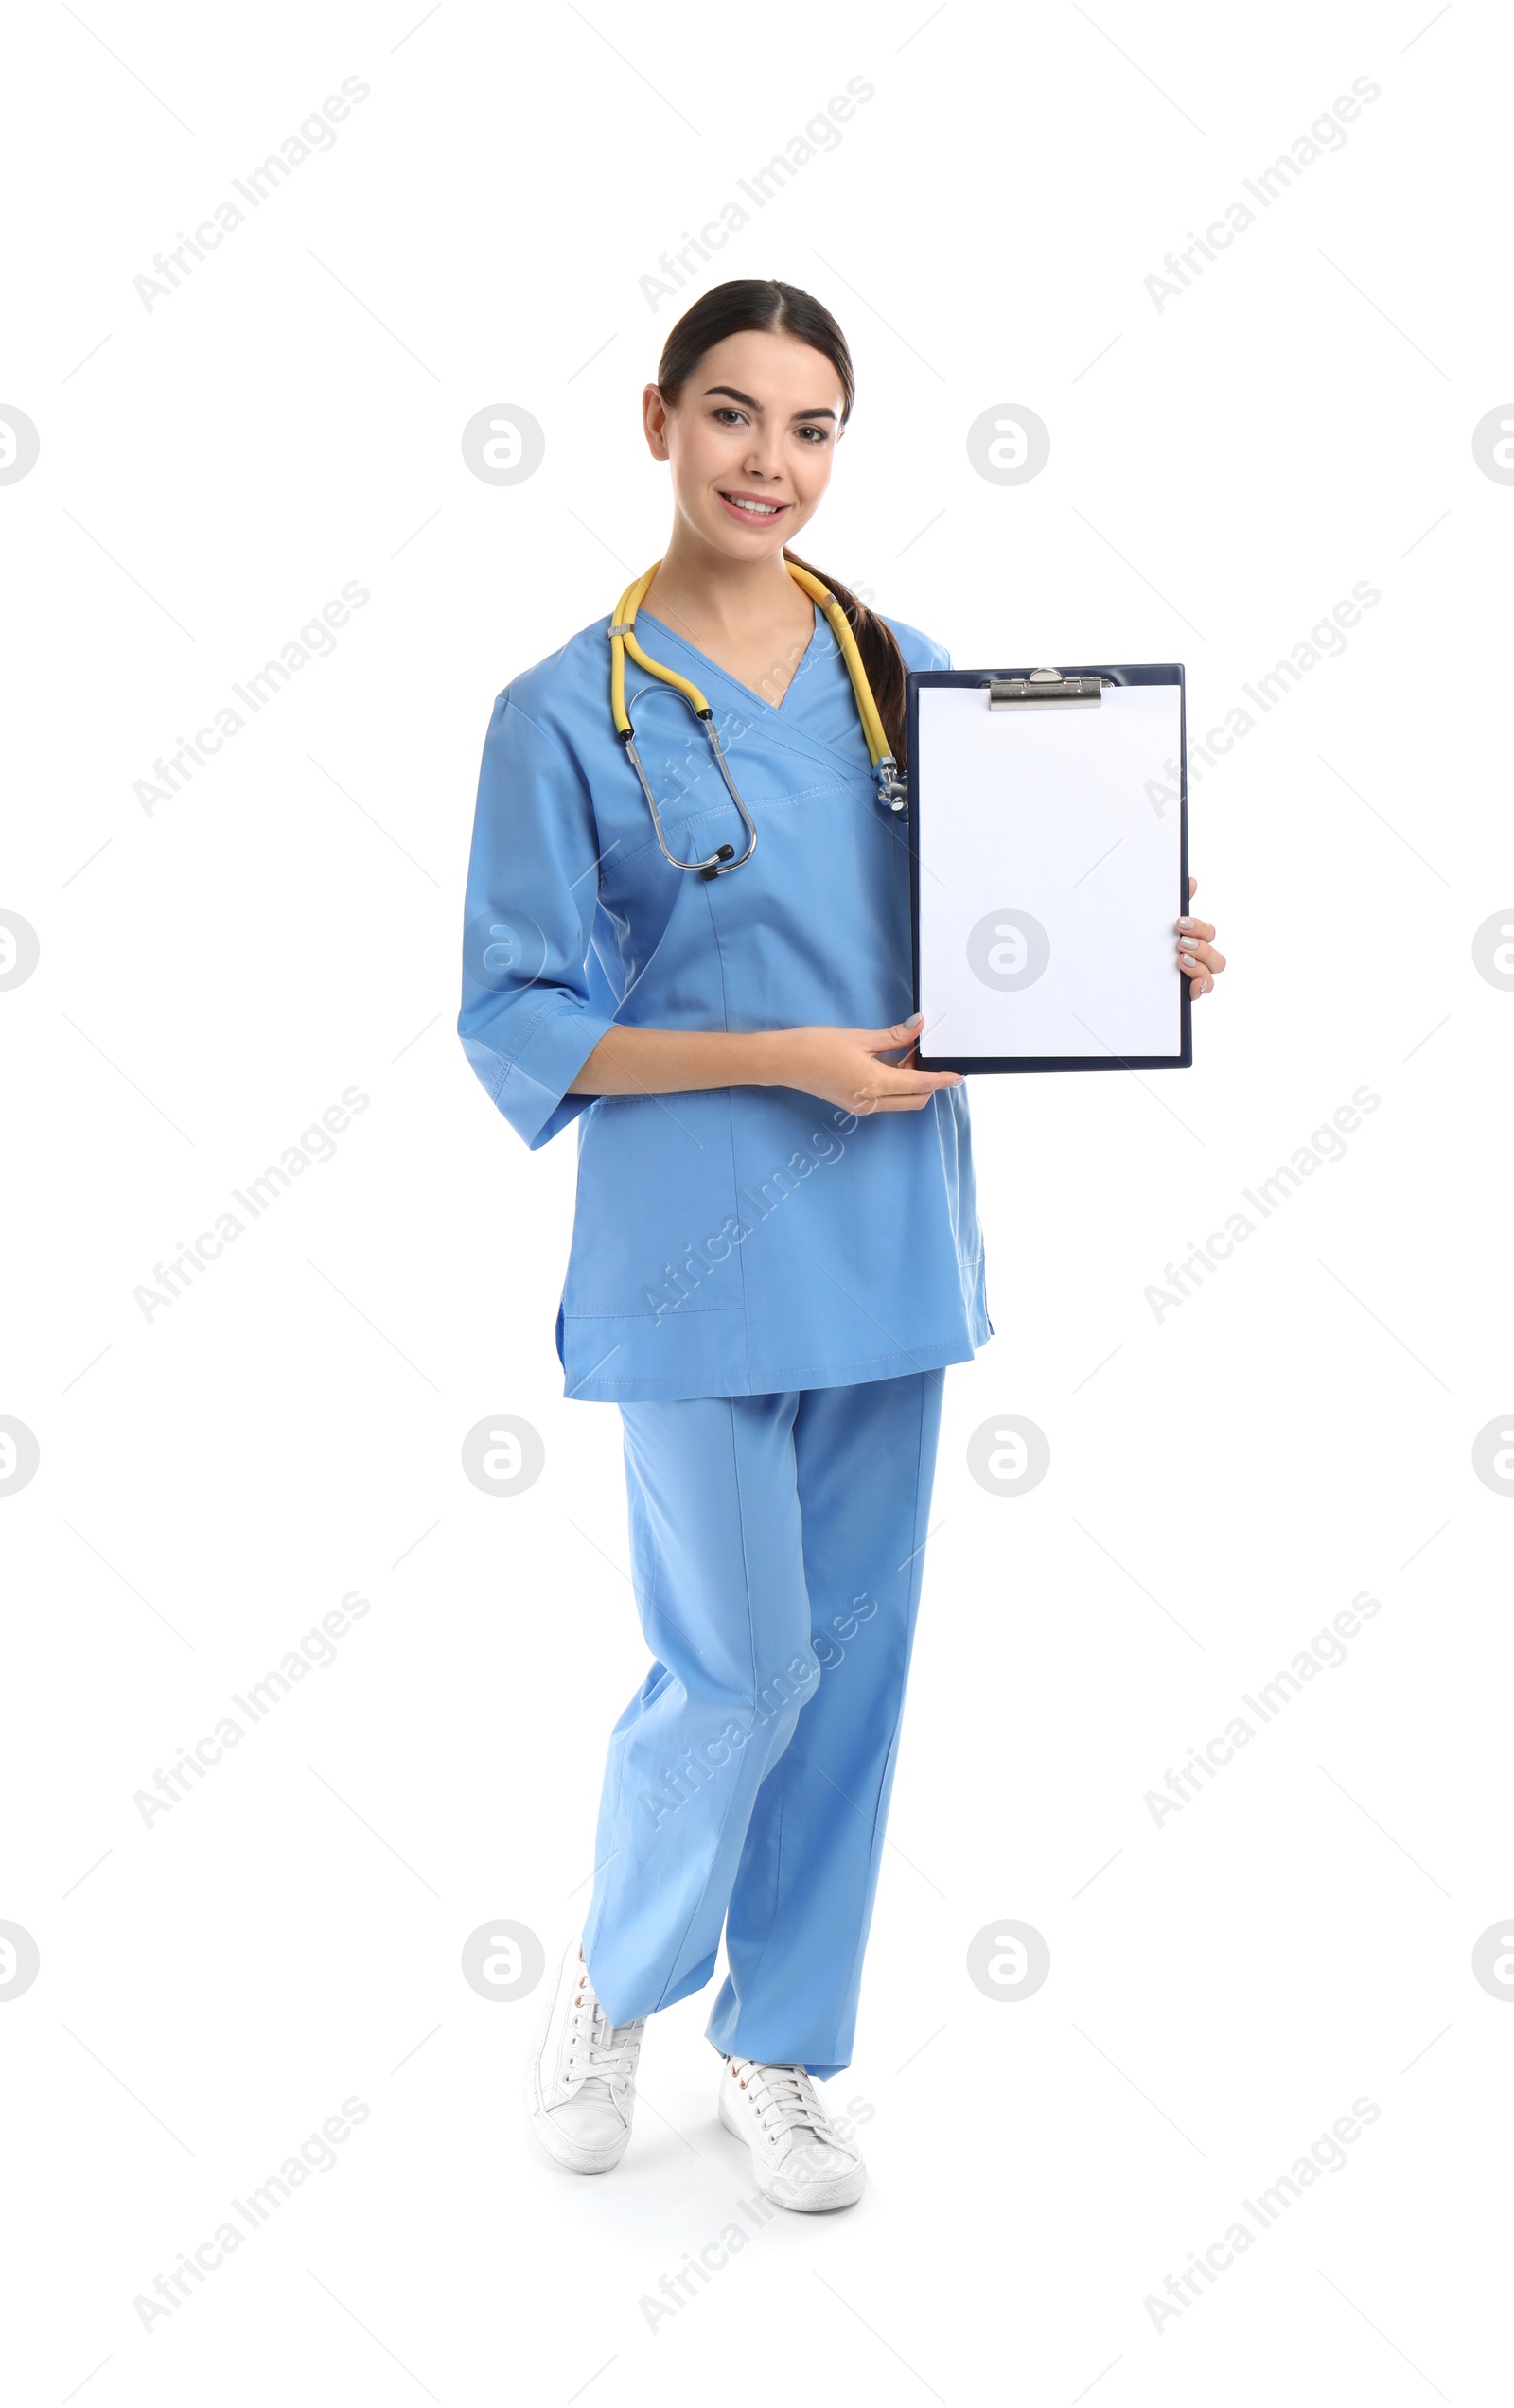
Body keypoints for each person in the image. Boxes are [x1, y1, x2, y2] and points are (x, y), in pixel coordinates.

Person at [457, 278, 1225, 2212]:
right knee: (733, 1667)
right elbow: (519, 1011)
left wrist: (1131, 948)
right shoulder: (562, 710)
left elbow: (995, 941)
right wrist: (773, 1055)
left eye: (808, 429)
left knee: (853, 1664)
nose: (768, 463)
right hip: (689, 1242)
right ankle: (618, 1980)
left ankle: (782, 2048)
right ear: (654, 421)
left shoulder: (907, 672)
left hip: (885, 1232)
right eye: (731, 416)